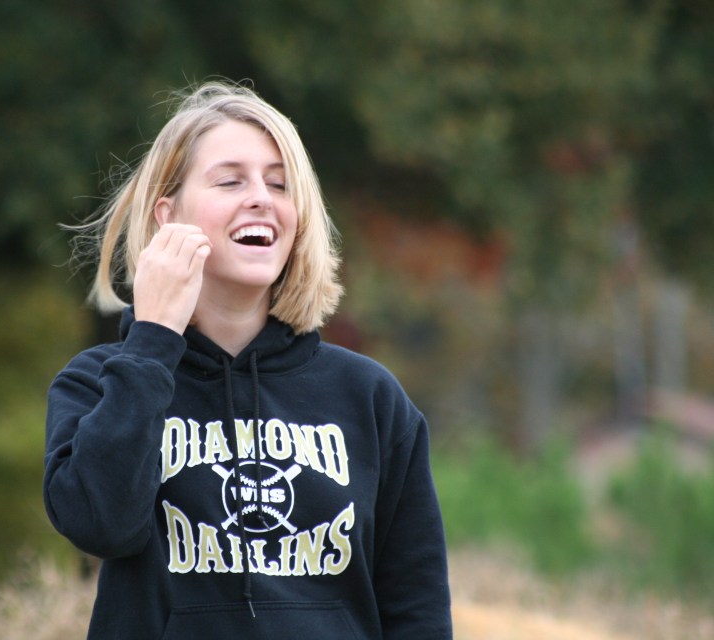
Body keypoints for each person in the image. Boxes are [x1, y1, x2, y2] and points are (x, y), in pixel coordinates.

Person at [43, 80, 452, 639]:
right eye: (230, 180)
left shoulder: (371, 397)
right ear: (168, 215)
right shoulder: (97, 384)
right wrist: (153, 342)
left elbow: (417, 610)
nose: (260, 198)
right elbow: (100, 525)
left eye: (279, 184)